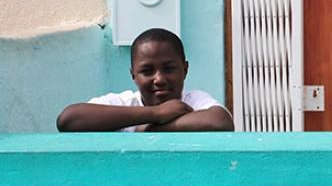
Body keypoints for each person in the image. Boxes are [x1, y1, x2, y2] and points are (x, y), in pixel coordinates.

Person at [57, 28, 234, 132]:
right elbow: (68, 119)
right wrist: (157, 113)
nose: (159, 79)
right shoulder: (124, 104)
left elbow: (221, 121)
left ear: (185, 69)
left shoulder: (193, 102)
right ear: (133, 75)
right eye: (147, 71)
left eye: (169, 69)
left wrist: (149, 130)